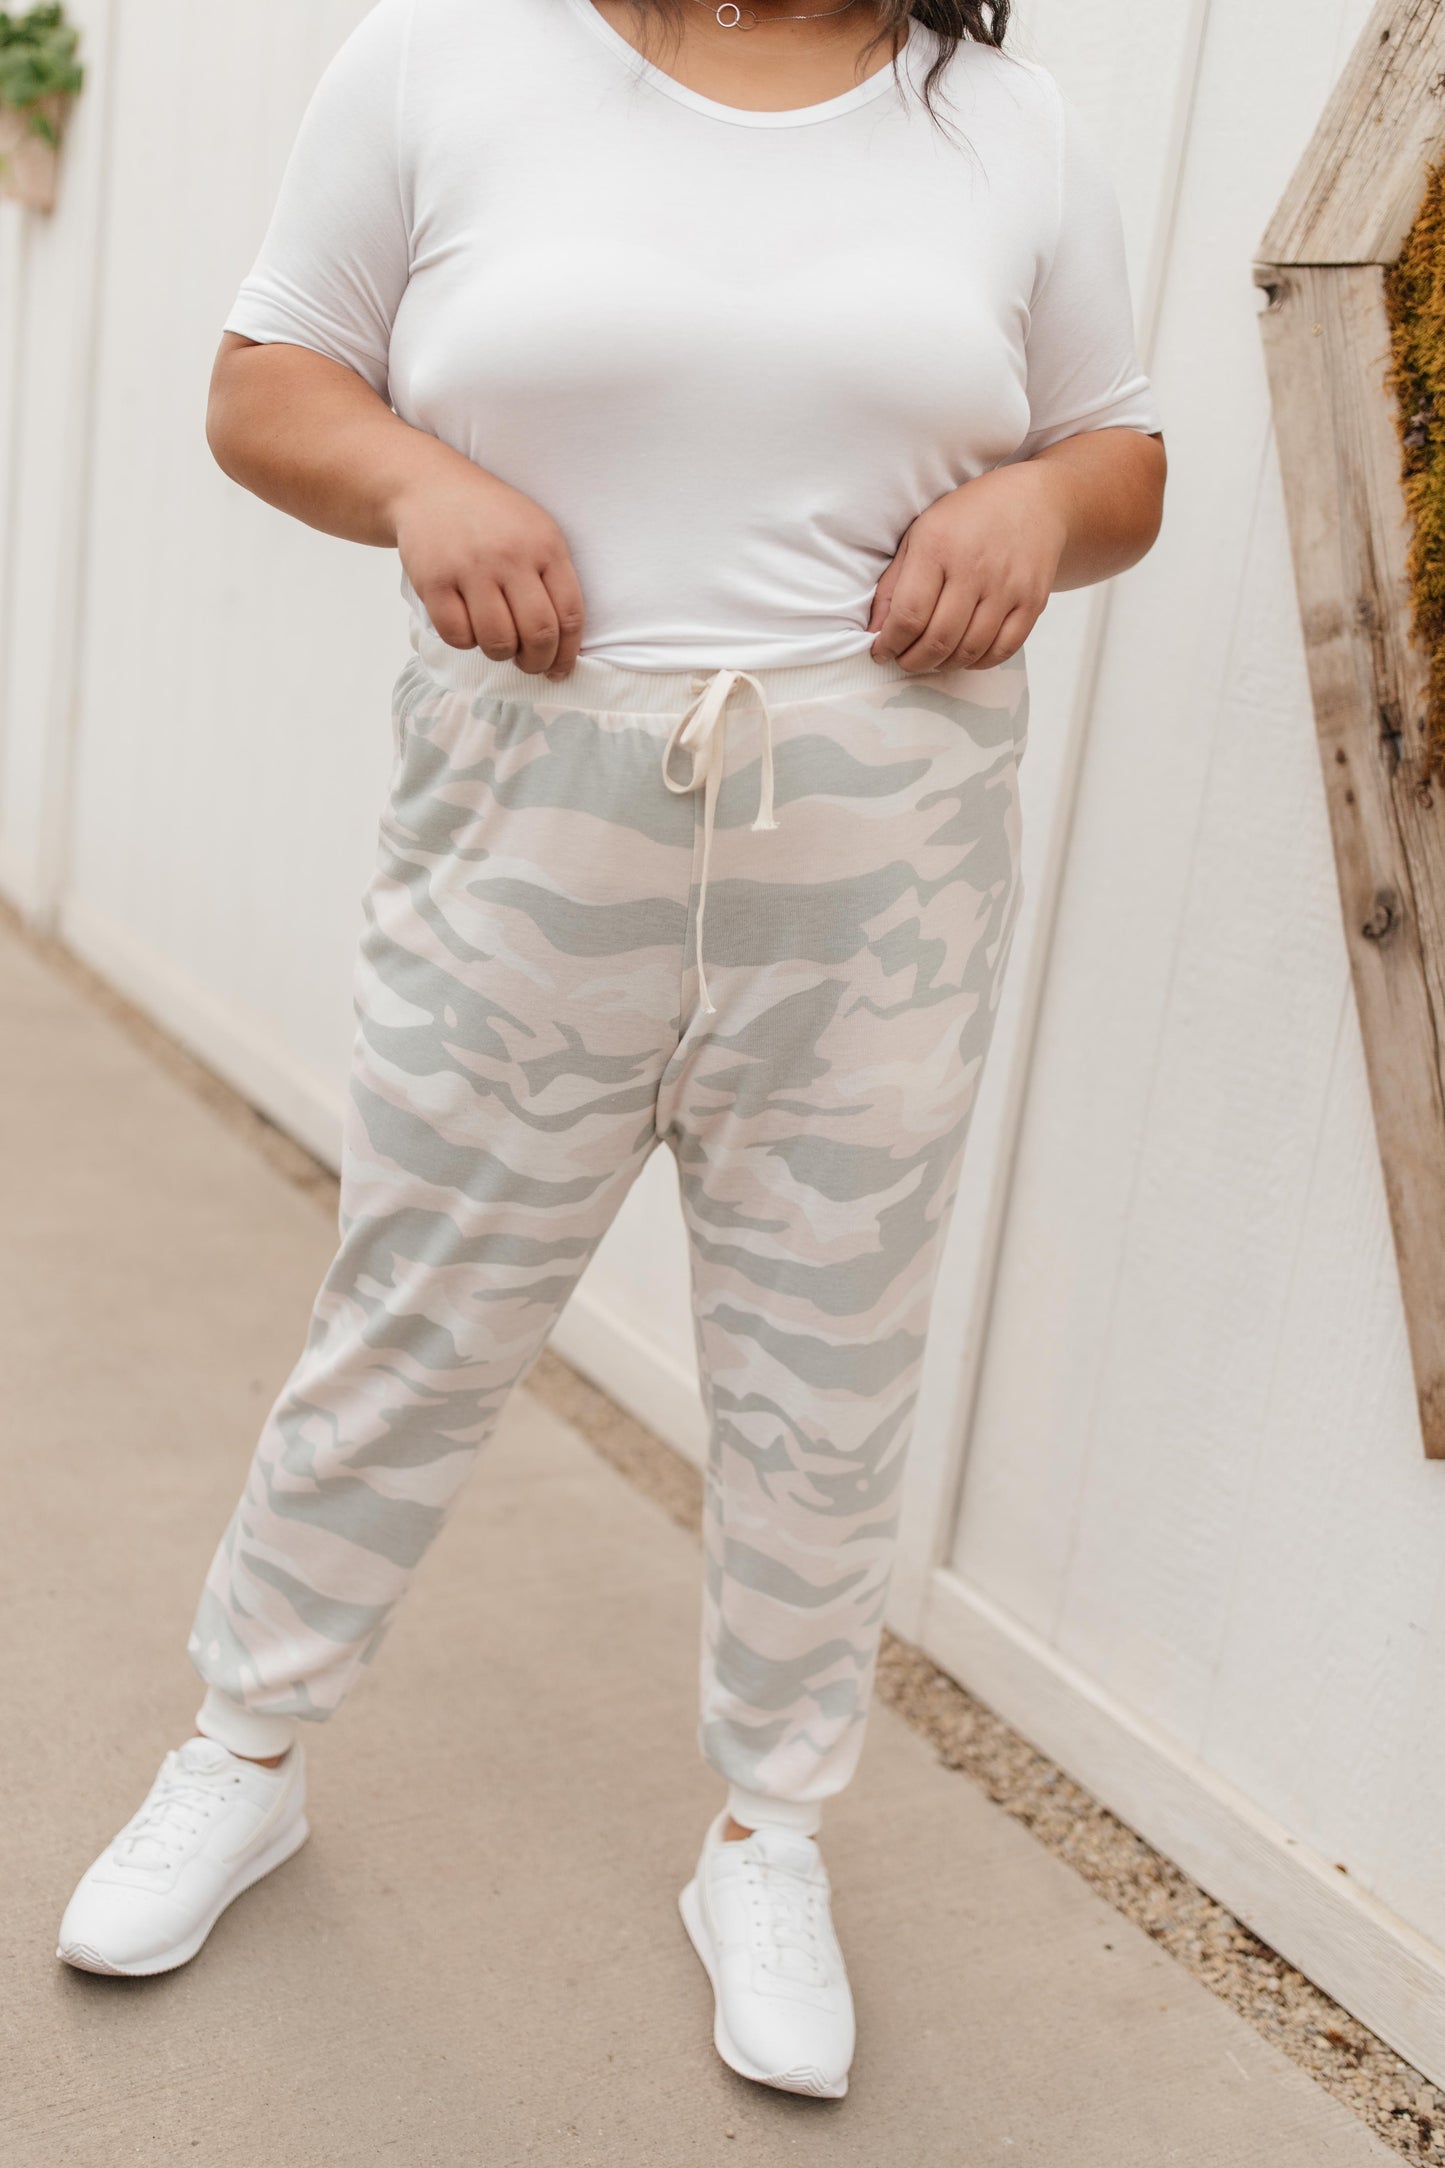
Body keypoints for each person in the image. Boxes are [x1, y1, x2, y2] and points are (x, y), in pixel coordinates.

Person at [56, 0, 1164, 2100]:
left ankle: (769, 1837)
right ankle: (246, 1750)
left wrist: (1037, 515)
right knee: (418, 1303)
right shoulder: (440, 60)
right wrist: (420, 480)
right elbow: (264, 384)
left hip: (879, 851)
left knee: (827, 1354)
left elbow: (1119, 457)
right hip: (531, 810)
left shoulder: (1007, 125)